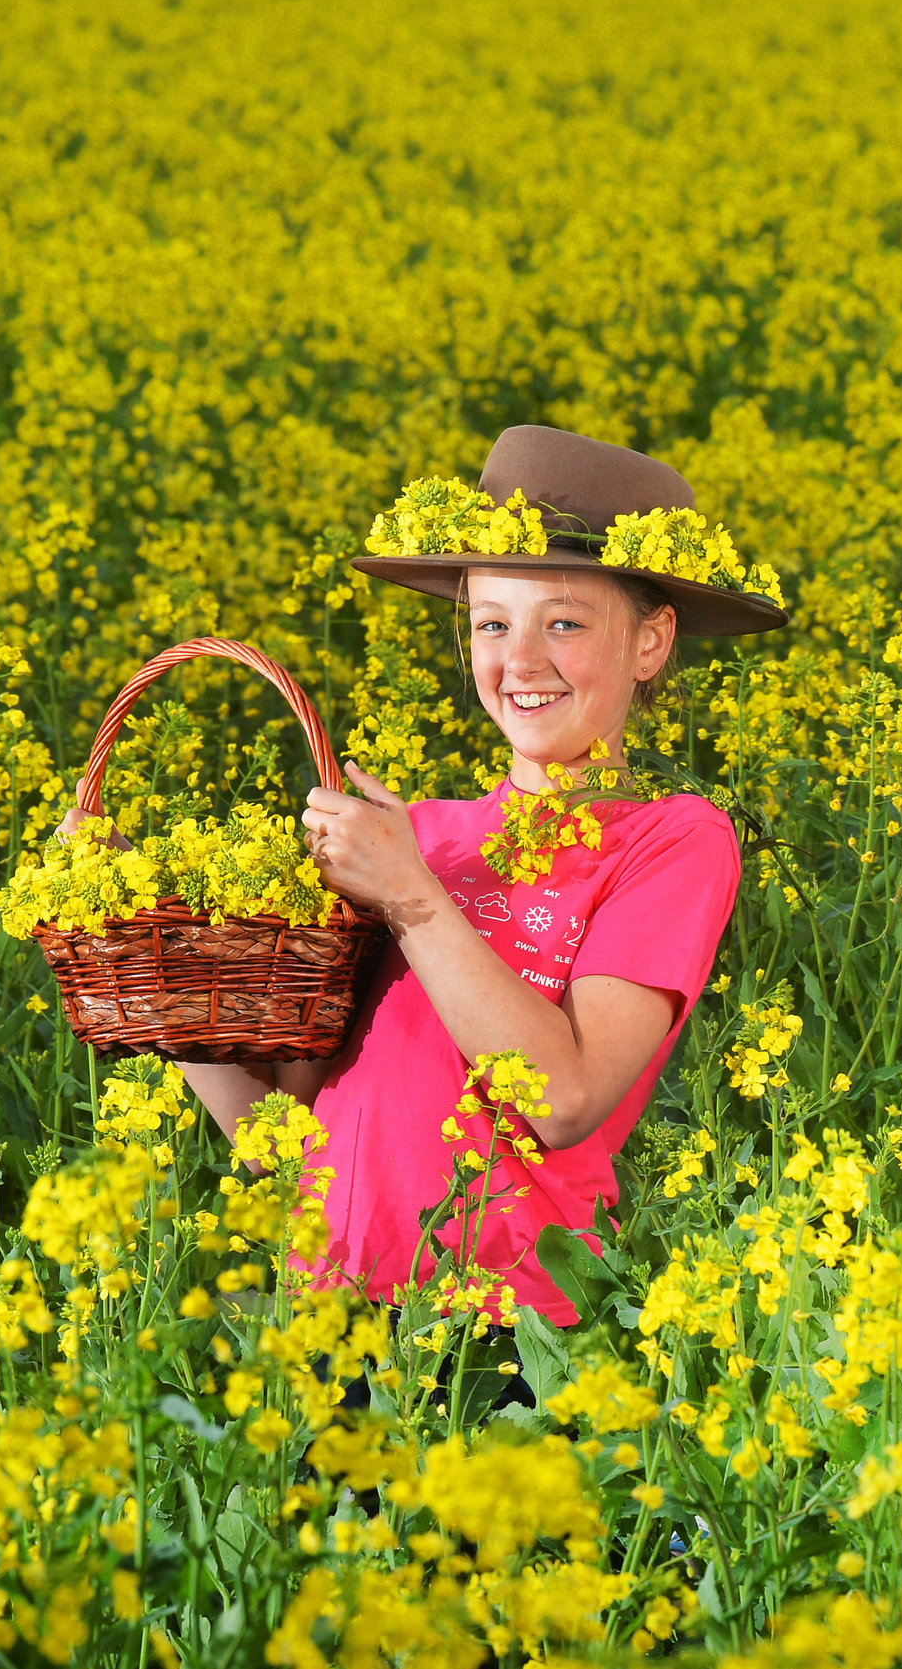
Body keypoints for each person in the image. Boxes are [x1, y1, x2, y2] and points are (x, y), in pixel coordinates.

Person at [175, 424, 788, 1327]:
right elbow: (280, 1140)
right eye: (492, 623)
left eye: (566, 624)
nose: (522, 662)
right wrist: (158, 957)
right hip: (330, 1324)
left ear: (651, 643)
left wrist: (413, 899)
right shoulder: (421, 835)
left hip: (507, 1337)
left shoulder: (671, 840)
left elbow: (567, 1099)